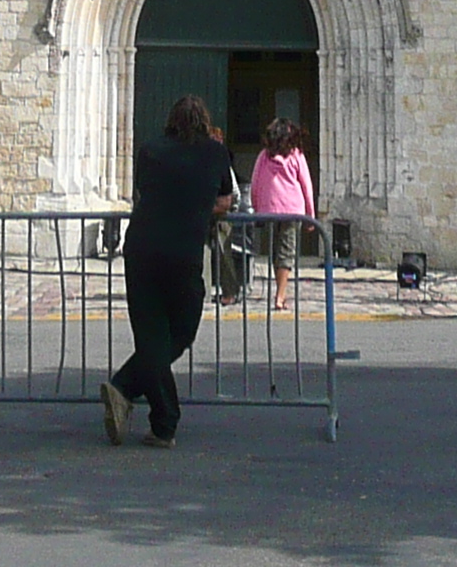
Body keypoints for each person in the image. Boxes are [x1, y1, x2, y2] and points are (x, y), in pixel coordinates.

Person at [104, 95, 234, 448]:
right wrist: (205, 204)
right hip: (182, 253)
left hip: (142, 248)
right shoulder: (215, 152)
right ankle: (155, 416)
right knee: (182, 330)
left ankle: (134, 397)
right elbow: (225, 199)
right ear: (205, 121)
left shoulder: (150, 150)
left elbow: (147, 191)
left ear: (170, 120)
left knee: (150, 334)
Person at [250, 118, 316, 308]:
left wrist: (256, 208)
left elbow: (255, 184)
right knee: (286, 252)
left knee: (274, 252)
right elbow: (306, 186)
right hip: (292, 211)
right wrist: (310, 216)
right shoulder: (296, 156)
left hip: (268, 210)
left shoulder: (263, 156)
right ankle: (280, 295)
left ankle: (280, 292)